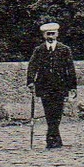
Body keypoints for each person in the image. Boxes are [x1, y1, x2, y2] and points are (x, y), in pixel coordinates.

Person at [26, 21, 77, 149]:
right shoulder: (39, 50)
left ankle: (52, 136)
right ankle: (53, 137)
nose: (50, 36)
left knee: (58, 111)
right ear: (44, 35)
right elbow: (32, 66)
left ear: (57, 34)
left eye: (52, 34)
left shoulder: (65, 49)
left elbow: (70, 68)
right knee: (48, 111)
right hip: (44, 85)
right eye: (48, 34)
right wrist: (31, 81)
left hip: (60, 85)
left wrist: (72, 86)